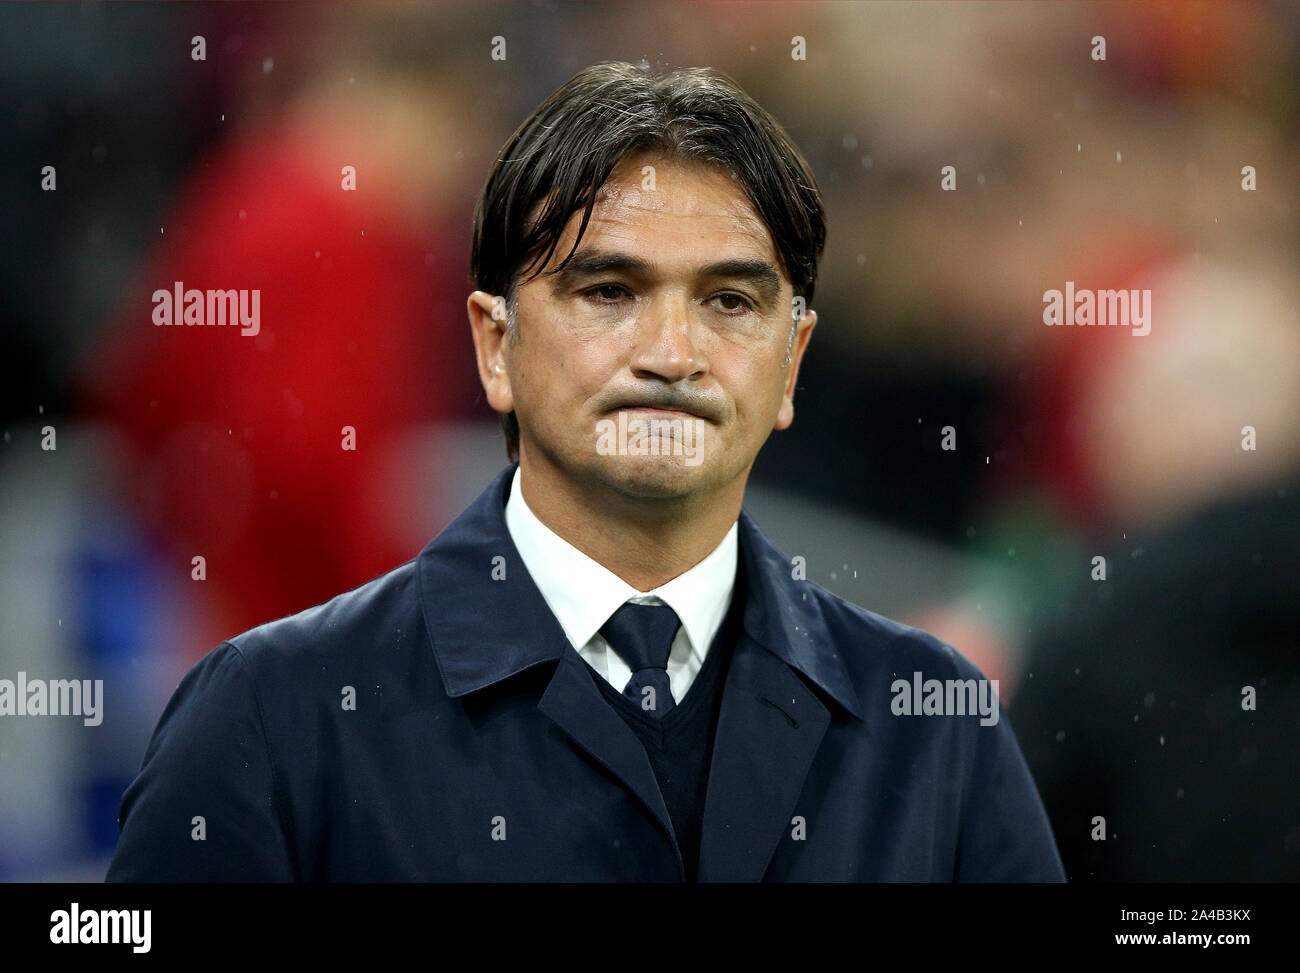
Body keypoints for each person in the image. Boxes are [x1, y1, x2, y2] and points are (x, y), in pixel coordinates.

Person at [107, 60, 1064, 882]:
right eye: (610, 290)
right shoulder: (272, 716)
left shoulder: (932, 722)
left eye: (730, 300)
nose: (672, 352)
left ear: (792, 363)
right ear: (495, 345)